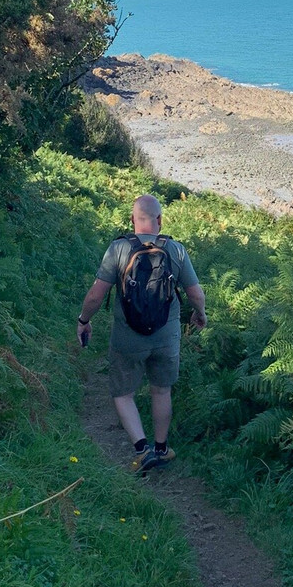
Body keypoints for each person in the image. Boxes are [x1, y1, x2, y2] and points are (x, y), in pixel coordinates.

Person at [77, 194, 207, 472]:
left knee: (123, 394)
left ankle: (141, 449)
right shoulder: (176, 250)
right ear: (160, 220)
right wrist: (200, 314)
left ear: (132, 220)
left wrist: (84, 320)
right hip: (165, 336)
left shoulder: (118, 249)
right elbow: (195, 293)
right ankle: (161, 448)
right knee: (161, 391)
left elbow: (95, 295)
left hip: (128, 337)